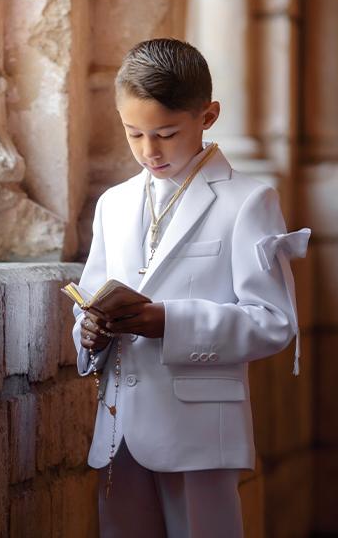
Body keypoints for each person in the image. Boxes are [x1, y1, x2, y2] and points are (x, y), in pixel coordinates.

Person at [71, 38, 310, 538]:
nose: (149, 151)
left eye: (166, 133)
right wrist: (89, 330)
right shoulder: (113, 204)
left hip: (201, 428)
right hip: (118, 428)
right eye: (133, 133)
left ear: (208, 116)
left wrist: (171, 321)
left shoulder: (247, 201)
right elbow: (92, 294)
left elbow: (273, 322)